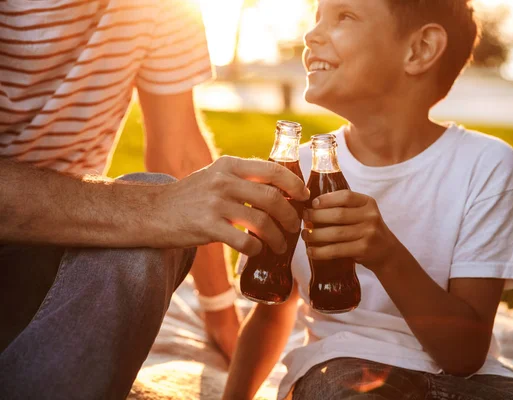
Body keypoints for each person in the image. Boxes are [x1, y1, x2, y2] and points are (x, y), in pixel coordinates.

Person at [223, 1, 513, 399]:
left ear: (419, 50)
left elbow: (465, 356)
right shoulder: (298, 169)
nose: (311, 36)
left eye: (344, 16)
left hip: (473, 382)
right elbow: (272, 312)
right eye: (316, 18)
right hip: (347, 370)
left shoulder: (486, 165)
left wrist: (387, 256)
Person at [0, 0, 308, 398]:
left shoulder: (162, 8)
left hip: (55, 258)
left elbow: (178, 153)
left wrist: (218, 308)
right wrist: (153, 207)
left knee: (152, 204)